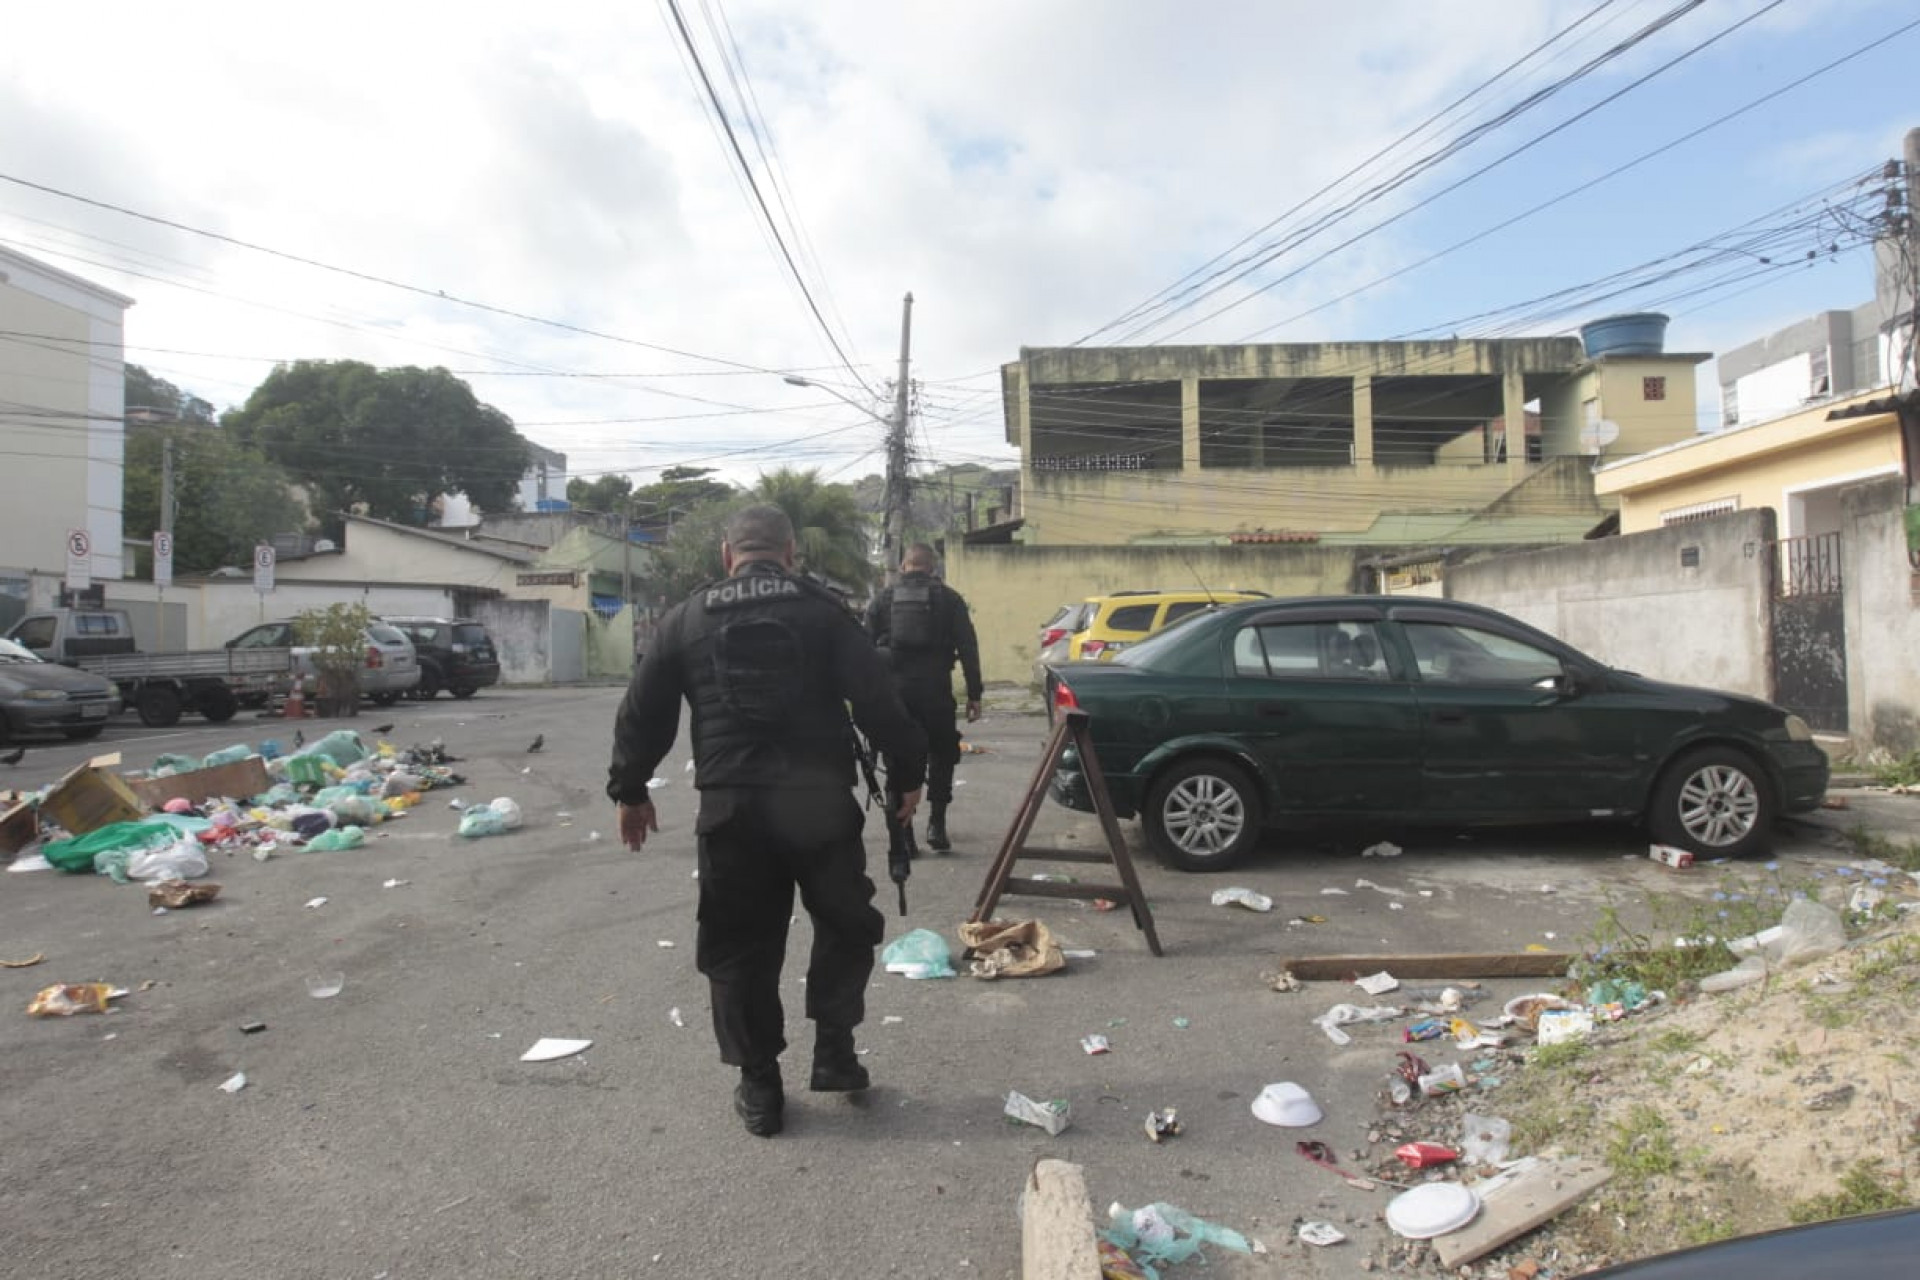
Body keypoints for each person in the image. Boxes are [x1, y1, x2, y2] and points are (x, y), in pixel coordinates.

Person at [608, 505, 927, 1138]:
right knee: (844, 923)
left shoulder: (687, 617)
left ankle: (760, 1087)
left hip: (732, 808)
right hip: (818, 804)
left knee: (738, 945)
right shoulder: (824, 611)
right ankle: (834, 1052)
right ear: (789, 553)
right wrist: (909, 774)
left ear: (728, 554)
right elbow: (879, 700)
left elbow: (643, 710)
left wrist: (631, 789)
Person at [865, 543, 983, 853]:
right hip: (936, 694)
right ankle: (937, 825)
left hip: (896, 696)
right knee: (942, 756)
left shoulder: (883, 599)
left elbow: (863, 651)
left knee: (897, 762)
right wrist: (974, 694)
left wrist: (869, 698)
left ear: (903, 566)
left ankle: (904, 837)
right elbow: (968, 647)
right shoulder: (950, 598)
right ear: (933, 568)